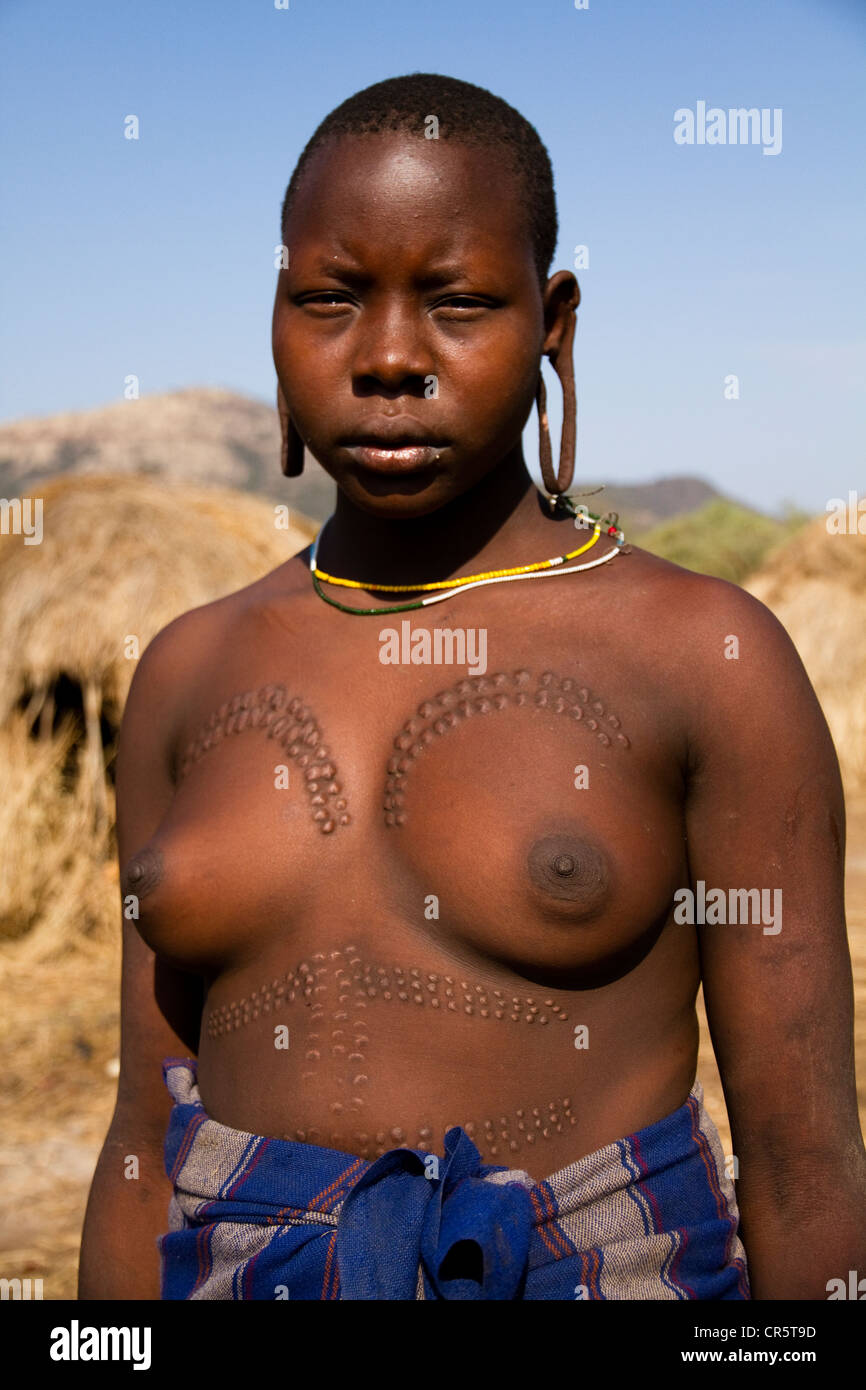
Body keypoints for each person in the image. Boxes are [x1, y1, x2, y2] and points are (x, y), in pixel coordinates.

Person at [79, 73, 865, 1301]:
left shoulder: (703, 655)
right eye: (330, 301)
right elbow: (142, 1137)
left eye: (456, 304)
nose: (390, 358)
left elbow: (803, 1162)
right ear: (275, 318)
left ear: (551, 324)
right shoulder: (190, 668)